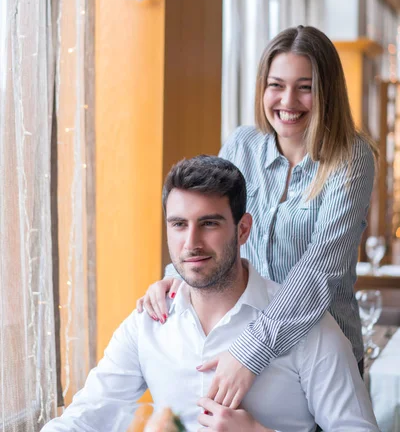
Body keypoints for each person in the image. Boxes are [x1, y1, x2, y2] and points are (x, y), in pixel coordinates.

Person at [41, 156, 379, 432]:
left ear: (243, 229)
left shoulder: (308, 328)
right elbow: (84, 417)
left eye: (210, 224)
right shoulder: (148, 322)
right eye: (179, 224)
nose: (191, 243)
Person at [138, 26, 377, 411]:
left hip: (320, 352)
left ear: (328, 91)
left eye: (306, 87)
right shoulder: (242, 144)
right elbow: (211, 218)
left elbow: (320, 269)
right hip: (240, 340)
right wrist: (174, 275)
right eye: (276, 85)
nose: (288, 100)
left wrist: (252, 351)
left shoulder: (351, 158)